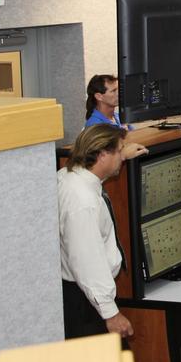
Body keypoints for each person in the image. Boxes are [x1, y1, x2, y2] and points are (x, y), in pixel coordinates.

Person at [58, 124, 136, 341]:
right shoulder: (83, 202)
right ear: (102, 155)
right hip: (86, 302)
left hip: (84, 296)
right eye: (120, 151)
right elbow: (87, 261)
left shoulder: (68, 176)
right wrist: (111, 313)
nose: (123, 156)